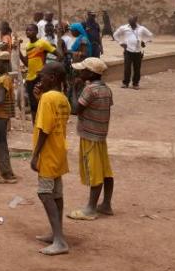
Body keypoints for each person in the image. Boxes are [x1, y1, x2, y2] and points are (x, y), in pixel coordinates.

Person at [30, 62, 72, 256]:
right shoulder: (61, 98)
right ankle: (56, 233)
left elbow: (44, 129)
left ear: (52, 78)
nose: (40, 80)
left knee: (44, 193)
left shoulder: (48, 98)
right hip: (59, 151)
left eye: (43, 77)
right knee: (56, 194)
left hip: (47, 152)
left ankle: (59, 240)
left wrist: (35, 154)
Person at [68, 57, 114, 220]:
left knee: (94, 172)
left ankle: (91, 209)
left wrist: (74, 89)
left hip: (90, 135)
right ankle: (106, 204)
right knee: (105, 170)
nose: (79, 72)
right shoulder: (106, 89)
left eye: (82, 70)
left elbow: (75, 109)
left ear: (90, 73)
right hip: (101, 135)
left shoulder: (89, 90)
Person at [19, 24, 59, 119]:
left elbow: (59, 55)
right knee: (33, 104)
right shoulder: (28, 46)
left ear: (36, 32)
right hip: (30, 78)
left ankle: (43, 122)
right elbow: (27, 63)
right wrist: (18, 50)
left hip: (40, 77)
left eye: (31, 30)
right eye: (27, 30)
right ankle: (35, 125)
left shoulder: (42, 43)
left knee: (41, 102)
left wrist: (49, 69)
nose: (28, 32)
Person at [113, 16, 153, 89]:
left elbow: (150, 35)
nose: (130, 23)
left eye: (132, 21)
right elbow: (115, 35)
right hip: (128, 51)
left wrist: (145, 42)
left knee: (137, 69)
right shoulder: (124, 28)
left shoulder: (141, 28)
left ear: (136, 21)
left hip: (138, 51)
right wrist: (121, 42)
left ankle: (135, 84)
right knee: (127, 68)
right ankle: (125, 83)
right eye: (129, 21)